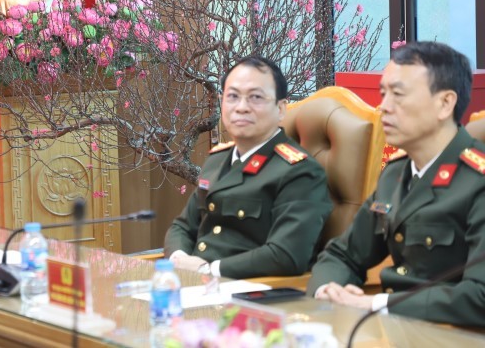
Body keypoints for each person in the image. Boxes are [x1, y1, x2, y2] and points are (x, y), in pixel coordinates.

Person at [307, 41, 485, 326]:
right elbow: (343, 254)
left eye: (398, 95)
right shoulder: (396, 173)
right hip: (392, 328)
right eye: (383, 94)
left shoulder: (477, 179)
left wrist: (377, 304)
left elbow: (480, 297)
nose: (384, 107)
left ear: (445, 103)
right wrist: (328, 288)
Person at [164, 56, 332, 279]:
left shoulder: (299, 172)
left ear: (281, 109)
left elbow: (286, 255)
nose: (241, 108)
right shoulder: (217, 160)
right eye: (233, 97)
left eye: (256, 97)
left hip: (248, 291)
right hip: (195, 284)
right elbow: (182, 227)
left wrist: (208, 270)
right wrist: (178, 259)